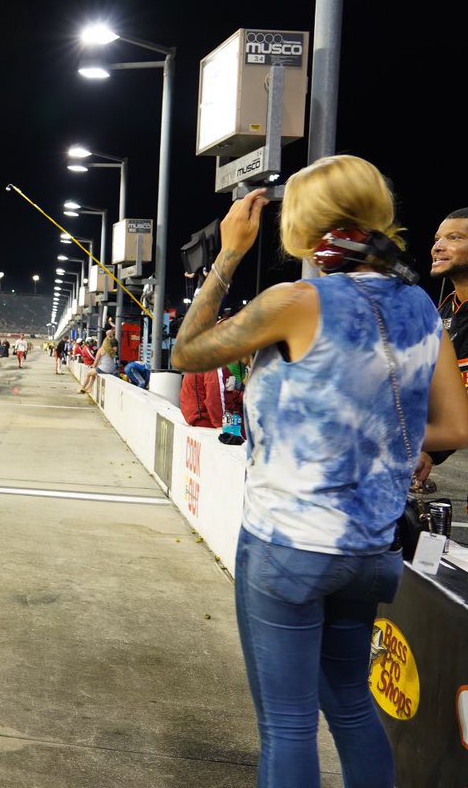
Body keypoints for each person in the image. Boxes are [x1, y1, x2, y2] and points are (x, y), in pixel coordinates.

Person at [171, 156, 468, 788]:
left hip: (290, 544)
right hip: (370, 551)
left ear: (306, 228)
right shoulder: (420, 307)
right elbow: (455, 428)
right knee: (354, 706)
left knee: (287, 725)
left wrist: (228, 255)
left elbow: (187, 350)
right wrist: (383, 443)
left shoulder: (298, 300)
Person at [414, 207, 468, 483]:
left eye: (454, 238)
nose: (438, 247)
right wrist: (429, 453)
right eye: (437, 239)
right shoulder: (443, 312)